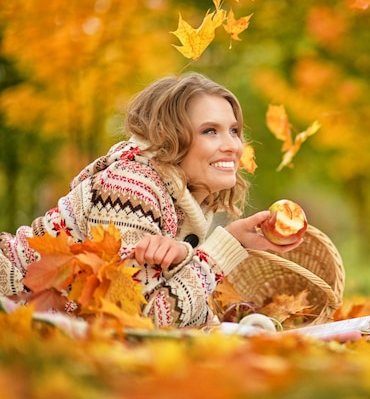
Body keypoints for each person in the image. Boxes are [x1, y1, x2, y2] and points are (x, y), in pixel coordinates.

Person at [0, 72, 302, 328]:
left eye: (234, 130)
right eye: (210, 131)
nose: (232, 146)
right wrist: (227, 246)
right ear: (171, 137)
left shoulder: (182, 200)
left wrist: (188, 257)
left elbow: (175, 312)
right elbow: (137, 320)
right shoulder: (131, 188)